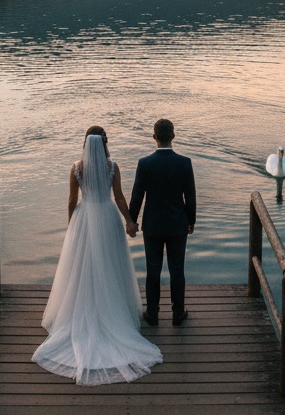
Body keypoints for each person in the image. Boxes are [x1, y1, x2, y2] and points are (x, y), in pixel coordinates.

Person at [32, 126, 162, 385]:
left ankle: (81, 312)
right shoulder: (112, 167)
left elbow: (71, 201)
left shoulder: (77, 168)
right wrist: (129, 221)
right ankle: (114, 313)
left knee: (82, 269)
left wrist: (72, 227)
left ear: (84, 143)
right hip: (107, 218)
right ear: (104, 143)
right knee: (111, 267)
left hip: (84, 220)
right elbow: (120, 198)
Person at [129, 118, 196, 327]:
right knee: (177, 270)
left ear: (154, 137)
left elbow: (137, 196)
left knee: (153, 270)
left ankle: (153, 314)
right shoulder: (184, 163)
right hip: (178, 225)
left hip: (153, 226)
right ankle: (177, 313)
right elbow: (190, 197)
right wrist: (191, 220)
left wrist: (132, 220)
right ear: (173, 136)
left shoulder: (145, 164)